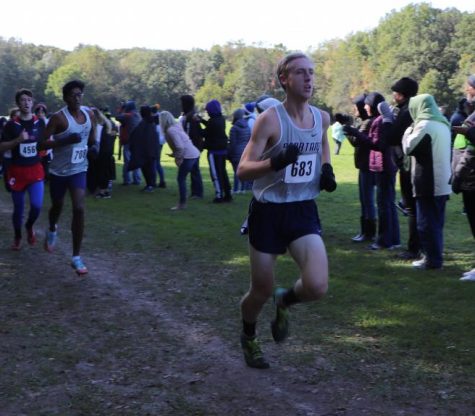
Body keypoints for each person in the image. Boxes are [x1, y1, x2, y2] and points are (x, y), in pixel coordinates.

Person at [236, 52, 335, 369]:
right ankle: (249, 336)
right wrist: (274, 162)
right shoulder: (270, 120)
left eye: (312, 73)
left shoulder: (322, 117)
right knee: (260, 289)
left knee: (317, 285)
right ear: (284, 79)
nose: (309, 79)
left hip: (302, 210)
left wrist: (327, 168)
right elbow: (242, 170)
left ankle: (286, 298)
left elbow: (321, 144)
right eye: (301, 73)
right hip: (268, 212)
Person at [37, 80, 96, 275]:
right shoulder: (58, 118)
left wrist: (93, 148)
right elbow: (41, 145)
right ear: (66, 98)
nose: (78, 98)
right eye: (73, 95)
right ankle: (52, 227)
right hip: (59, 172)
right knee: (57, 206)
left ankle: (76, 257)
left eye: (80, 94)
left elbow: (92, 139)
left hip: (79, 170)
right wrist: (64, 140)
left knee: (79, 208)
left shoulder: (90, 115)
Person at [402, 94, 451, 270]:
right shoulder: (443, 123)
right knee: (436, 223)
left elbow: (409, 147)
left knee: (426, 224)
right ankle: (434, 257)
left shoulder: (424, 125)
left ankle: (432, 260)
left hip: (429, 181)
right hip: (443, 181)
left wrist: (408, 131)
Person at [0, 89, 46, 250]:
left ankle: (29, 226)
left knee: (37, 205)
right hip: (17, 172)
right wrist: (17, 140)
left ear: (32, 103)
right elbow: (2, 147)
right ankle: (18, 237)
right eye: (23, 100)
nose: (26, 103)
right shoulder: (12, 125)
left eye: (29, 100)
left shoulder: (39, 123)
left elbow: (43, 143)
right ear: (18, 104)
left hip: (35, 171)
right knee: (18, 210)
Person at [388, 77, 420, 260]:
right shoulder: (412, 109)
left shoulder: (406, 111)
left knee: (412, 209)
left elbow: (392, 137)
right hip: (409, 164)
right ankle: (418, 247)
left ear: (401, 94)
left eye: (395, 92)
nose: (393, 95)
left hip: (407, 165)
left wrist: (388, 121)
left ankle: (414, 248)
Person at [452, 74, 475, 280]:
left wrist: (457, 178)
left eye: (469, 87)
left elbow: (470, 152)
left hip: (471, 180)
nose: (467, 90)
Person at [346, 94, 377, 242]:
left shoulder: (367, 123)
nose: (355, 109)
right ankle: (366, 232)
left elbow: (357, 142)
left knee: (367, 200)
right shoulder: (366, 122)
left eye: (356, 106)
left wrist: (348, 130)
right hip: (364, 165)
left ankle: (368, 233)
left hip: (367, 166)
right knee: (365, 199)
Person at [159, 111, 202, 210]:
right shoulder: (177, 126)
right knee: (193, 175)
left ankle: (182, 204)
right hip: (194, 153)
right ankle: (197, 195)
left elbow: (180, 147)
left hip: (188, 156)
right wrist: (174, 154)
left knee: (181, 179)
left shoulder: (171, 130)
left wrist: (178, 158)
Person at [198, 99, 232, 203]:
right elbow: (210, 126)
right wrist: (201, 120)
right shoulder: (220, 119)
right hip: (223, 150)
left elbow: (205, 133)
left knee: (215, 174)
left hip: (214, 151)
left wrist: (197, 125)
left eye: (208, 110)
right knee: (223, 172)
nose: (207, 112)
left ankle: (219, 195)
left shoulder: (213, 121)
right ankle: (228, 194)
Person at [128, 105, 159, 192]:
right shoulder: (151, 122)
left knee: (147, 169)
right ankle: (151, 184)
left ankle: (150, 185)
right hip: (151, 149)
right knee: (150, 168)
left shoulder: (145, 123)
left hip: (146, 150)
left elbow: (137, 136)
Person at [180, 94, 204, 198]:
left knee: (194, 170)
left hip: (193, 147)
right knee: (194, 169)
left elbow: (191, 133)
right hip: (194, 147)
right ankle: (195, 191)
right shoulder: (190, 115)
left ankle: (197, 193)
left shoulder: (191, 117)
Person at [116, 100, 141, 186]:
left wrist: (122, 108)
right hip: (137, 142)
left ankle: (127, 180)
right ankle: (137, 179)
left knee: (127, 161)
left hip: (128, 141)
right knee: (136, 161)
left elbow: (117, 117)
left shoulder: (127, 115)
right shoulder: (138, 115)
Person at [228, 108, 251, 193]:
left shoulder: (234, 128)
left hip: (236, 153)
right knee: (243, 171)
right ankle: (243, 189)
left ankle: (235, 189)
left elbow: (232, 144)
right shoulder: (247, 127)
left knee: (236, 172)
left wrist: (229, 154)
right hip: (245, 152)